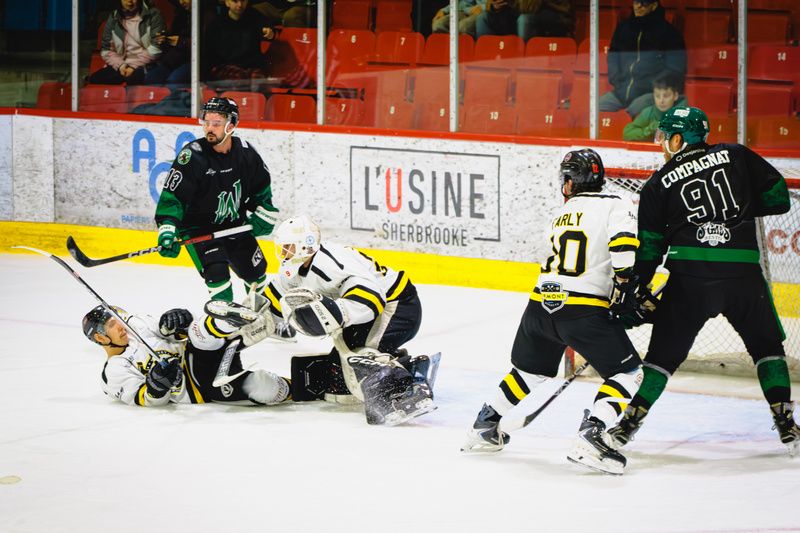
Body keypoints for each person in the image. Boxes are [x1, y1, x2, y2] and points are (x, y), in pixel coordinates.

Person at [606, 106, 800, 456]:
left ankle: (627, 426)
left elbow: (649, 247)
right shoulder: (735, 154)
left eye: (666, 136)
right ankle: (786, 423)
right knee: (767, 347)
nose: (662, 143)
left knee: (662, 358)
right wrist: (736, 211)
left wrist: (638, 287)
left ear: (679, 139)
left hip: (689, 279)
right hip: (744, 275)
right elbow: (779, 197)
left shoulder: (658, 183)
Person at [461, 149, 644, 475]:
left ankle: (485, 424)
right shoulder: (616, 203)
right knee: (628, 373)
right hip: (582, 308)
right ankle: (593, 434)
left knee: (528, 372)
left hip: (540, 307)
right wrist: (625, 287)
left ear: (573, 182)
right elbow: (623, 249)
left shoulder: (561, 213)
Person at [263, 215, 437, 426]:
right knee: (340, 383)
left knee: (358, 361)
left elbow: (372, 299)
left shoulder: (329, 264)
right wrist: (245, 319)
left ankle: (412, 382)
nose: (283, 253)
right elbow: (269, 303)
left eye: (288, 247)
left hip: (398, 306)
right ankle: (395, 362)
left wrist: (336, 313)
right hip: (376, 310)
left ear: (304, 246)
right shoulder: (293, 270)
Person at [154, 96, 280, 302]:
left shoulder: (246, 154)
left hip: (235, 226)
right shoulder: (192, 156)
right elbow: (173, 197)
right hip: (199, 231)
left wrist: (264, 211)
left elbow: (261, 189)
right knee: (217, 275)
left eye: (216, 123)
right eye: (206, 122)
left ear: (231, 125)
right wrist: (168, 228)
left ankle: (265, 317)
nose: (209, 128)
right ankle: (222, 320)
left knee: (256, 274)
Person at [82, 299, 290, 407]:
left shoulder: (137, 324)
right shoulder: (113, 372)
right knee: (263, 386)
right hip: (201, 387)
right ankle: (298, 386)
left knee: (198, 330)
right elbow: (146, 399)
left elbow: (172, 332)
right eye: (112, 325)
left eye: (119, 319)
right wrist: (157, 386)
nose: (121, 325)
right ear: (100, 338)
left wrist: (177, 320)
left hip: (198, 355)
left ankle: (239, 323)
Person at [600, 0, 686, 117]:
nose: (638, 6)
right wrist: (617, 80)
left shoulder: (670, 33)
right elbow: (613, 56)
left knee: (633, 111)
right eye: (636, 2)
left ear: (654, 5)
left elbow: (675, 69)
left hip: (652, 93)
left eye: (643, 3)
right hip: (622, 91)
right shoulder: (623, 28)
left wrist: (655, 87)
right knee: (596, 107)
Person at [88, 0, 167, 86]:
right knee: (95, 78)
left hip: (145, 64)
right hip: (122, 63)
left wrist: (133, 66)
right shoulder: (114, 17)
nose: (129, 1)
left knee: (133, 78)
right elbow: (106, 50)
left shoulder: (153, 14)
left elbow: (156, 47)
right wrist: (121, 65)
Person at [203, 0, 275, 82]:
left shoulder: (254, 16)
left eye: (243, 0)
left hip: (251, 66)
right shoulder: (216, 24)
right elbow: (209, 55)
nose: (240, 5)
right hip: (225, 66)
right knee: (239, 79)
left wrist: (270, 33)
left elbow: (269, 31)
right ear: (227, 2)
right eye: (235, 1)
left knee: (259, 80)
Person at [622, 71, 686, 142]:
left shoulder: (685, 114)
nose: (661, 101)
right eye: (657, 96)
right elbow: (627, 134)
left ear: (675, 96)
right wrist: (650, 129)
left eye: (666, 96)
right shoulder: (648, 113)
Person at [475, 0, 574, 42]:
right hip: (520, 11)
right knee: (483, 18)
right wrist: (494, 5)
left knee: (525, 20)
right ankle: (487, 63)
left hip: (556, 15)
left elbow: (530, 7)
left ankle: (524, 66)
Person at [152, 0, 192, 89]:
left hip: (194, 61)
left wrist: (181, 42)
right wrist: (165, 39)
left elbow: (204, 45)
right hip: (175, 59)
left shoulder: (205, 17)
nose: (181, 2)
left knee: (173, 80)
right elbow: (174, 38)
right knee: (152, 78)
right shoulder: (181, 16)